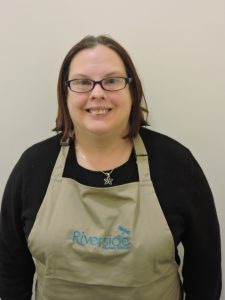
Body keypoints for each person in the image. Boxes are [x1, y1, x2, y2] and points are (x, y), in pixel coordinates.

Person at [0, 35, 221, 300]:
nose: (97, 93)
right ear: (65, 93)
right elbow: (11, 272)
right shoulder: (33, 167)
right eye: (82, 82)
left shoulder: (176, 165)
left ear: (132, 90)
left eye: (112, 81)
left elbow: (204, 275)